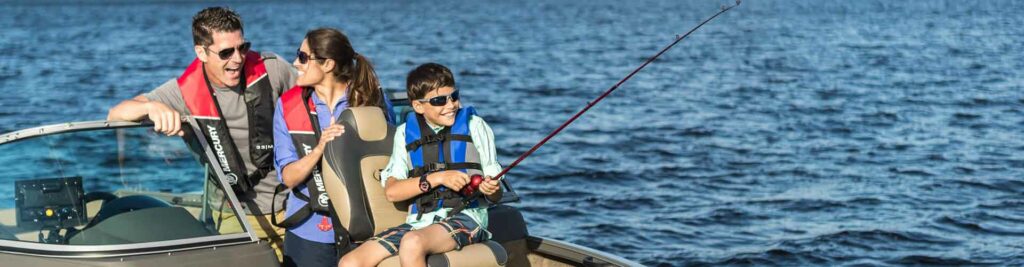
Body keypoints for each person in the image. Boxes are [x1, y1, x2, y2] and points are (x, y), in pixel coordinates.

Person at [106, 7, 295, 260]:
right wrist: (152, 107)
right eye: (226, 52)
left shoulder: (273, 70)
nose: (237, 59)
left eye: (242, 47)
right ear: (201, 52)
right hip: (234, 216)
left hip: (292, 206)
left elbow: (316, 102)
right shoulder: (182, 93)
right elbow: (115, 114)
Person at [338, 63, 503, 267]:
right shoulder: (404, 133)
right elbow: (392, 192)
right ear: (418, 106)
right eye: (439, 101)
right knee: (350, 262)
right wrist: (439, 178)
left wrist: (491, 188)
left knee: (412, 243)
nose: (450, 105)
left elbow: (496, 194)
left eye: (454, 96)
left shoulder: (475, 125)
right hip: (418, 223)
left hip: (467, 218)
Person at [273, 27, 393, 267]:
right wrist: (320, 149)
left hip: (365, 231)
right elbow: (288, 177)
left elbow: (391, 164)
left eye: (303, 57)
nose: (296, 63)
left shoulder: (372, 101)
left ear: (327, 64)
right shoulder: (287, 106)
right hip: (308, 233)